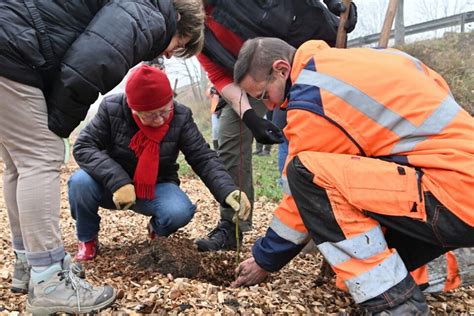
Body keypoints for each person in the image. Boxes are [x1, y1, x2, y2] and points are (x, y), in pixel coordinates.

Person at [231, 37, 474, 315]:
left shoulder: (313, 98)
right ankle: (454, 264)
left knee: (304, 172)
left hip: (451, 198)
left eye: (264, 95)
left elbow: (299, 202)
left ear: (282, 69)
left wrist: (264, 259)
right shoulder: (368, 60)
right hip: (458, 185)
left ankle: (396, 306)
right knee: (359, 267)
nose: (271, 108)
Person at [0, 0, 204, 313]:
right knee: (40, 157)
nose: (168, 53)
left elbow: (203, 155)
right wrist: (59, 124)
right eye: (179, 45)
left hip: (11, 38)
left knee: (18, 163)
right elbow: (92, 62)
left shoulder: (138, 8)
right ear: (178, 21)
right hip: (15, 48)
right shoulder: (150, 14)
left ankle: (28, 263)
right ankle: (49, 280)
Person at [195, 0, 358, 252]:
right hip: (246, 81)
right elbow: (219, 76)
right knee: (230, 138)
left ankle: (325, 224)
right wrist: (249, 116)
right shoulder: (192, 24)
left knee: (311, 135)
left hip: (295, 53)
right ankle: (233, 225)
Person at [69, 64, 251, 262]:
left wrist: (227, 190)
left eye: (164, 111)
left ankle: (156, 231)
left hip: (156, 185)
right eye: (149, 115)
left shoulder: (181, 116)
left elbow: (202, 157)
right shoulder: (112, 108)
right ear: (133, 108)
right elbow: (83, 146)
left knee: (179, 211)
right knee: (80, 183)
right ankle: (87, 239)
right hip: (112, 187)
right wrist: (118, 181)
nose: (159, 119)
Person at [206, 84, 222, 151]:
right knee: (215, 129)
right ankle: (216, 149)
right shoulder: (212, 88)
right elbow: (208, 93)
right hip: (215, 112)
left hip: (224, 110)